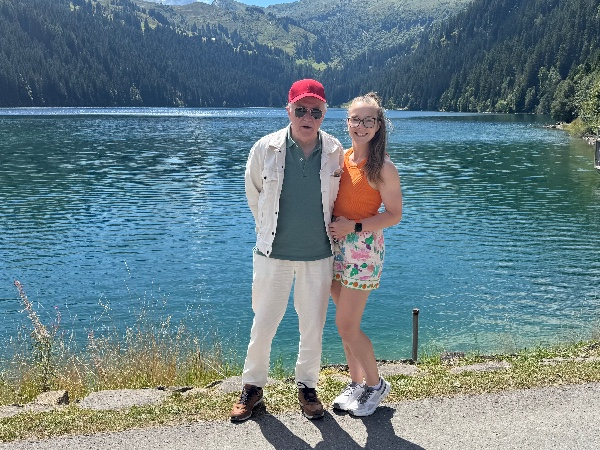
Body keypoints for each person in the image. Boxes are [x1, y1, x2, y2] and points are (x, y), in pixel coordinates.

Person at [230, 79, 344, 422]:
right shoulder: (265, 148)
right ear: (288, 110)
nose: (308, 117)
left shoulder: (336, 150)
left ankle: (307, 387)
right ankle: (252, 387)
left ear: (324, 114)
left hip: (319, 254)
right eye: (301, 109)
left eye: (316, 111)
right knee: (263, 323)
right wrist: (268, 230)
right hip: (273, 253)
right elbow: (254, 194)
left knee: (312, 326)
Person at [328, 92, 403, 417]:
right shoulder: (341, 159)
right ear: (347, 123)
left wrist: (353, 227)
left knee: (347, 326)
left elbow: (394, 215)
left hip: (362, 250)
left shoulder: (383, 167)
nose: (361, 126)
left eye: (368, 120)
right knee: (344, 324)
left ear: (378, 125)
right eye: (355, 119)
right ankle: (356, 383)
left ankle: (375, 385)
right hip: (335, 247)